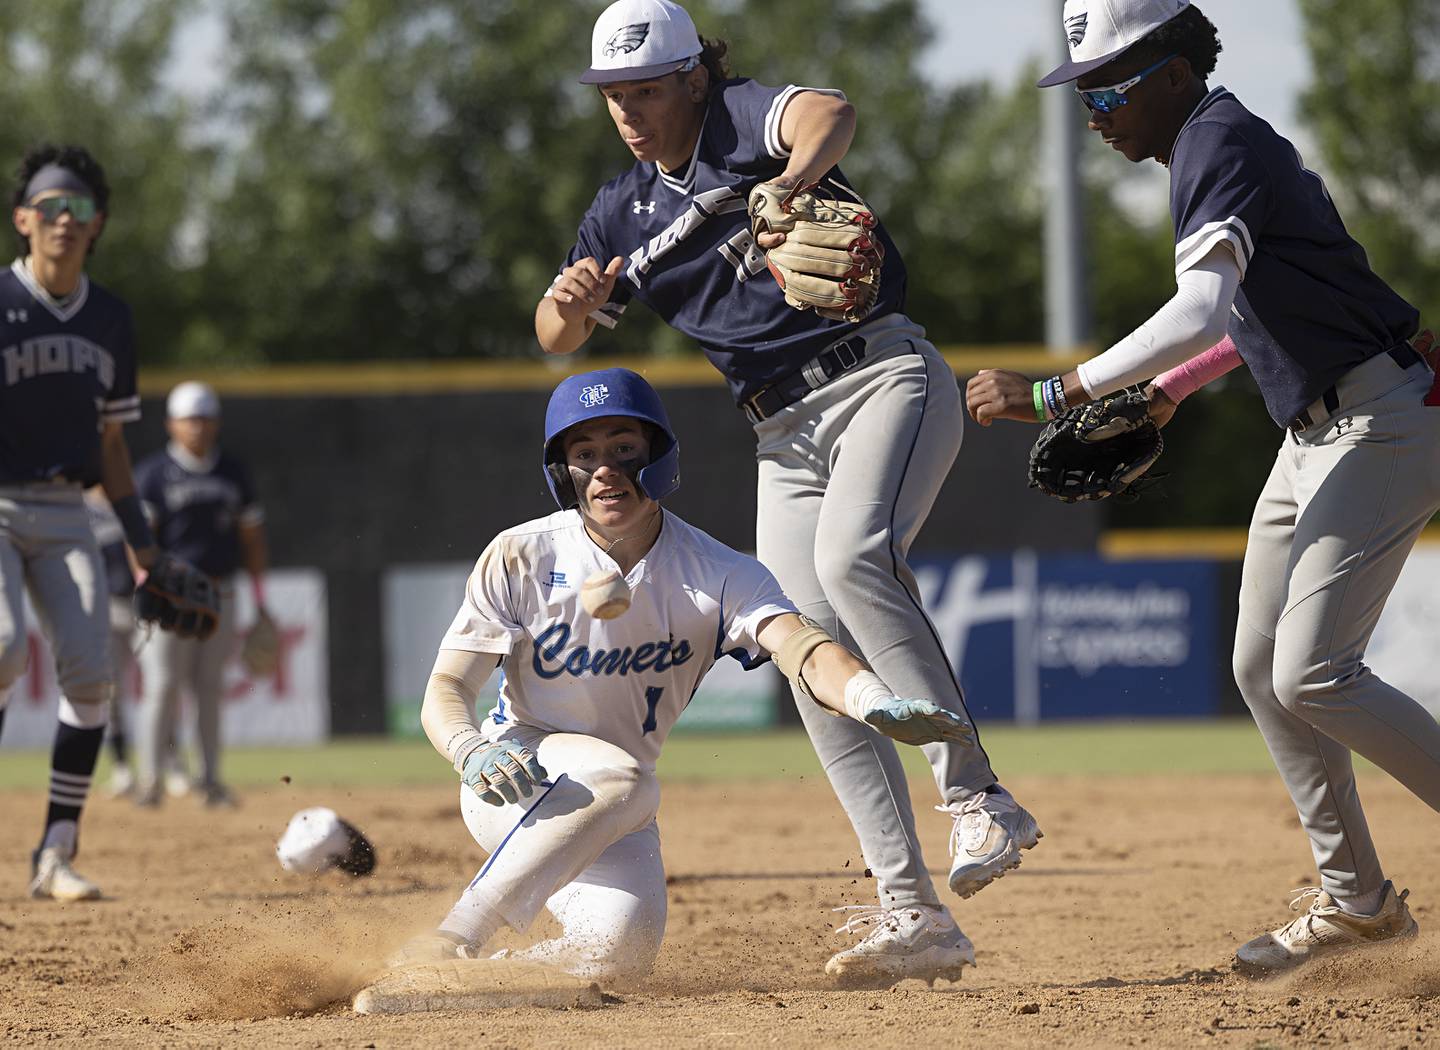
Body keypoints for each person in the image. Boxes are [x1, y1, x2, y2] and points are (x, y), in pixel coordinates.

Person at [534, 0, 1040, 983]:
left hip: (883, 373)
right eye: (613, 95)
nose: (630, 110)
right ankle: (914, 915)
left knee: (856, 561)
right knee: (807, 657)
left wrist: (793, 184)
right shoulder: (622, 212)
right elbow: (557, 336)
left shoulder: (738, 119)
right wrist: (566, 309)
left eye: (645, 88)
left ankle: (979, 800)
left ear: (691, 76)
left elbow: (829, 113)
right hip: (780, 428)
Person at [965, 0, 1440, 975]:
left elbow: (1198, 305)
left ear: (1173, 72)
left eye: (1109, 84)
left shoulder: (1214, 137)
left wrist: (1059, 390)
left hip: (1382, 418)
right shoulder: (1209, 148)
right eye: (1084, 89)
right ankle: (1356, 902)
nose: (1093, 109)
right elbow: (1242, 320)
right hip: (1317, 427)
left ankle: (1356, 896)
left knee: (1314, 672)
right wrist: (1171, 390)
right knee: (1264, 671)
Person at [402, 367, 976, 985]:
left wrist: (868, 698)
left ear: (659, 456)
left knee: (616, 959)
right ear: (561, 471)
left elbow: (803, 648)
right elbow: (446, 690)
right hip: (517, 777)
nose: (604, 468)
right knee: (629, 778)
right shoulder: (522, 554)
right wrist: (471, 751)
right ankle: (451, 942)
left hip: (615, 803)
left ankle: (463, 985)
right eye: (584, 453)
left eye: (624, 448)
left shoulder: (719, 571)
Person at [0, 144, 166, 899]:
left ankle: (55, 852)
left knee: (92, 676)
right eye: (51, 207)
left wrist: (144, 548)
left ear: (96, 225)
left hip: (69, 509)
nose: (65, 220)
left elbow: (111, 446)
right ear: (23, 220)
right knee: (2, 647)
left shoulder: (110, 319)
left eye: (80, 209)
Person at [132, 381, 270, 808]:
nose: (198, 427)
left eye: (205, 419)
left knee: (209, 687)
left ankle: (210, 781)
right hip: (169, 592)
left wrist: (261, 599)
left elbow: (251, 536)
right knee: (163, 686)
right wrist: (144, 582)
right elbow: (139, 536)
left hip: (220, 589)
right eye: (190, 419)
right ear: (172, 424)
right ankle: (150, 782)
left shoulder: (232, 471)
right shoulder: (153, 473)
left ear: (217, 423)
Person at [82, 487, 139, 797]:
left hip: (144, 606)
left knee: (162, 687)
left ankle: (172, 765)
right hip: (104, 608)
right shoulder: (78, 508)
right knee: (112, 694)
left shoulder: (133, 499)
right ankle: (122, 769)